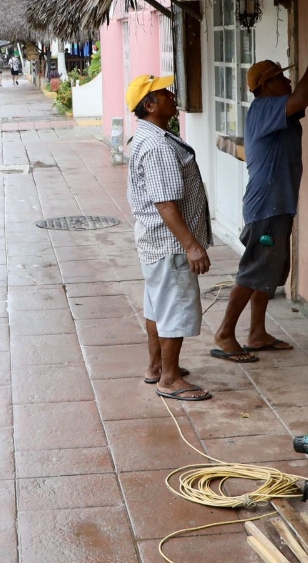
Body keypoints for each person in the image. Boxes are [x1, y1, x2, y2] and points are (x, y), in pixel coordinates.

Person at [211, 37, 308, 362]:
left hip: (278, 204)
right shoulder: (265, 108)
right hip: (266, 207)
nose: (288, 81)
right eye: (282, 77)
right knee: (254, 270)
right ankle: (224, 333)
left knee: (269, 272)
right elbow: (304, 91)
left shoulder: (280, 110)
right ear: (267, 85)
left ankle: (257, 333)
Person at [126, 75, 214, 401]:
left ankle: (155, 368)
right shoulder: (158, 146)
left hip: (155, 242)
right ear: (150, 105)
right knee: (175, 309)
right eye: (164, 93)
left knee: (157, 307)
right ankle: (171, 378)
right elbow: (165, 203)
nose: (173, 95)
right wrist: (191, 246)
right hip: (170, 244)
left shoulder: (149, 138)